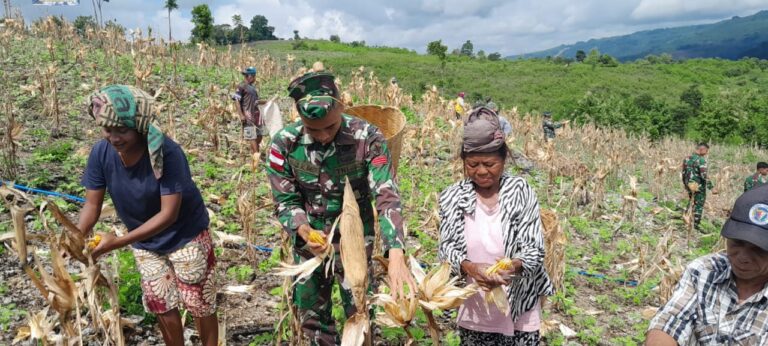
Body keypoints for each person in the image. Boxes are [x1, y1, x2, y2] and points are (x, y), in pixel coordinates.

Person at [267, 72, 415, 345]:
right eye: (313, 129)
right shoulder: (283, 144)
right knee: (312, 316)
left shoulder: (368, 137)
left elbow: (386, 194)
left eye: (330, 127)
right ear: (300, 118)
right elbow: (285, 201)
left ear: (341, 107)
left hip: (354, 241)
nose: (323, 136)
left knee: (359, 309)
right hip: (310, 242)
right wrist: (303, 230)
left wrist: (396, 253)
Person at [78, 85, 218, 346]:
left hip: (185, 235)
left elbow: (168, 214)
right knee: (161, 304)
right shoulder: (101, 152)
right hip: (144, 240)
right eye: (108, 130)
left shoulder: (167, 152)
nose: (114, 138)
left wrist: (117, 242)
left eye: (122, 130)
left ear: (139, 126)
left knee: (199, 302)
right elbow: (91, 206)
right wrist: (76, 237)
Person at [438, 107, 553, 345]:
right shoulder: (452, 196)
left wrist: (511, 267)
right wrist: (470, 268)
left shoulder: (521, 191)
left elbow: (534, 250)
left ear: (503, 159)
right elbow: (447, 249)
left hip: (519, 302)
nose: (481, 171)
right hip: (475, 305)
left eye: (489, 164)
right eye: (472, 164)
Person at [646, 184, 768, 345]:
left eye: (758, 249)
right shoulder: (704, 270)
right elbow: (670, 321)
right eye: (737, 242)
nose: (742, 257)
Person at [233, 66, 267, 155]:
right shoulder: (241, 86)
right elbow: (237, 100)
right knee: (252, 136)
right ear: (250, 76)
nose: (255, 78)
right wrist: (241, 115)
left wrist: (263, 102)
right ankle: (256, 155)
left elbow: (255, 101)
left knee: (259, 135)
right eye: (254, 76)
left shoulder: (252, 88)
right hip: (248, 116)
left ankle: (254, 152)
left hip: (256, 115)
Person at [682, 143, 713, 229]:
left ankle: (686, 218)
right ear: (702, 150)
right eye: (706, 151)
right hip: (698, 186)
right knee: (698, 204)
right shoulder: (701, 160)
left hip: (689, 185)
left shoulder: (687, 158)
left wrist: (685, 184)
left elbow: (683, 173)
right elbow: (704, 176)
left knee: (691, 201)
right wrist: (711, 187)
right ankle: (695, 224)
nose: (706, 153)